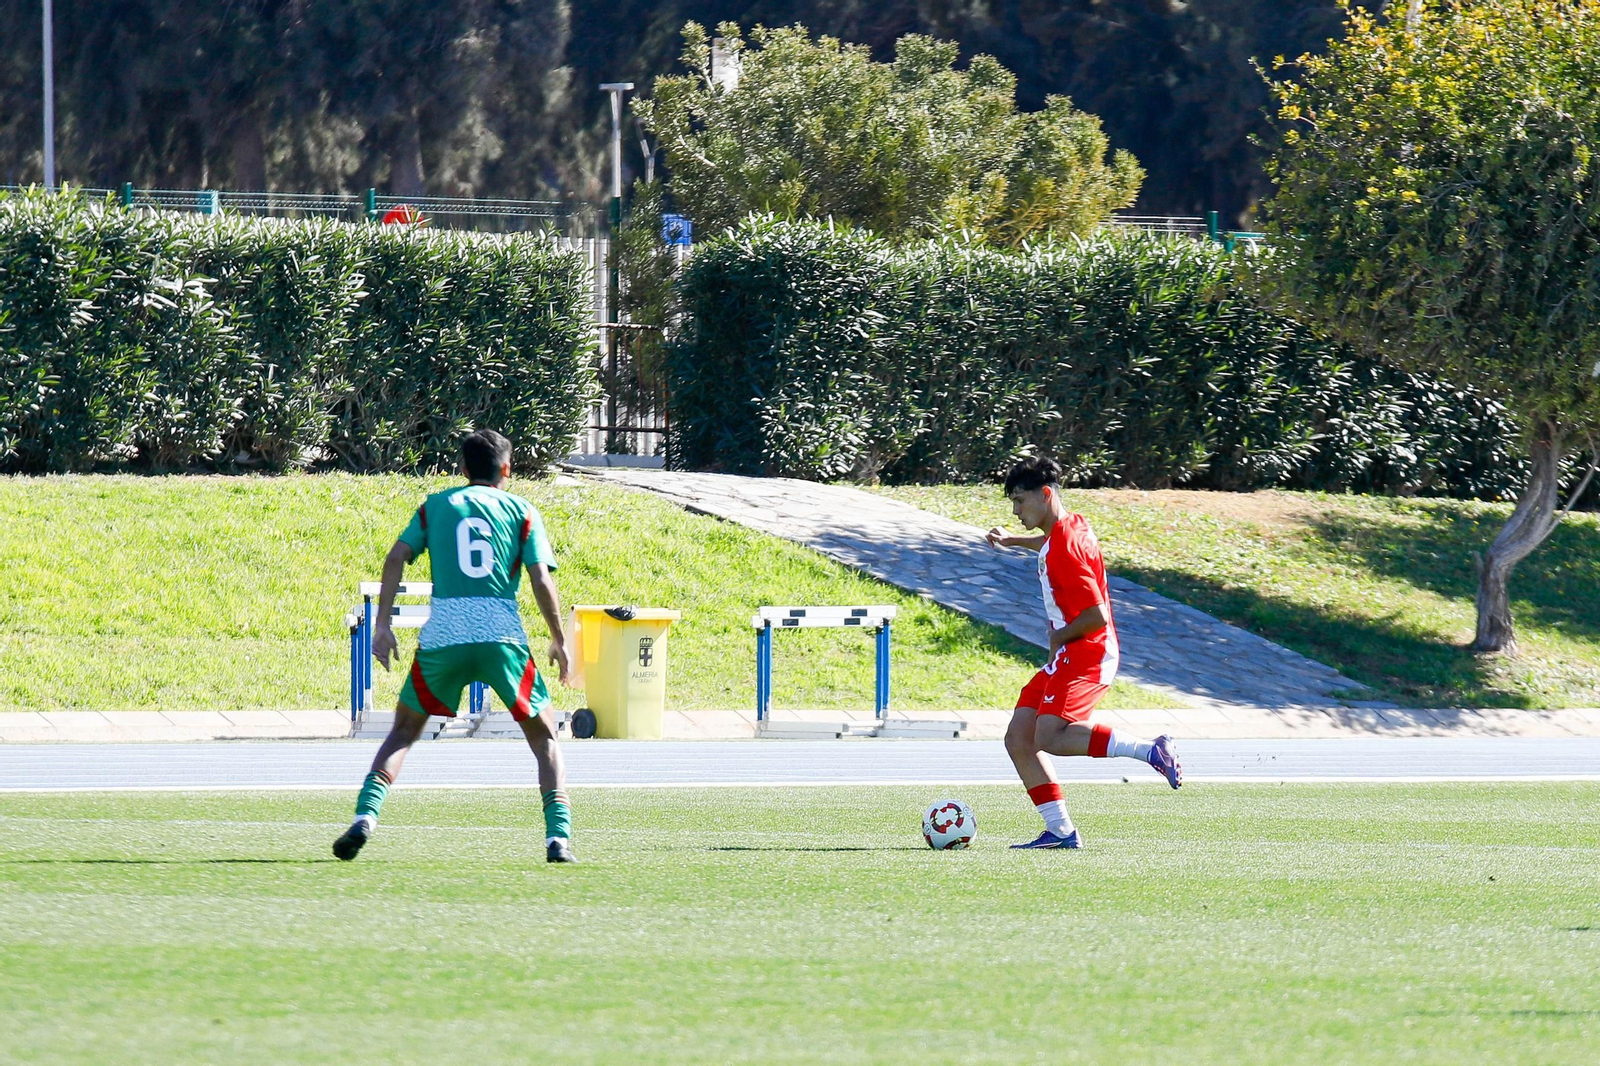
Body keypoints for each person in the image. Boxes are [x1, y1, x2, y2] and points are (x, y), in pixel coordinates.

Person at [332, 429, 577, 863]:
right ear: (507, 469)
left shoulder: (435, 506)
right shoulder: (522, 511)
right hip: (501, 636)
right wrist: (559, 639)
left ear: (462, 469)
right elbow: (540, 578)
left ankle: (365, 816)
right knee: (545, 738)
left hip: (445, 633)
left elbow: (395, 557)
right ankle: (557, 839)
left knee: (403, 732)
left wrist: (383, 625)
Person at [985, 456, 1182, 849]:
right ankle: (1060, 831)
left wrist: (1058, 637)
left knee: (1049, 736)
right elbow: (1049, 544)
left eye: (1020, 501)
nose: (1015, 510)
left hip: (1087, 651)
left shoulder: (1066, 549)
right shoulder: (1070, 525)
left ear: (1045, 494)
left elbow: (1096, 615)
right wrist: (1014, 540)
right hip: (1073, 651)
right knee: (1019, 737)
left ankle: (1150, 750)